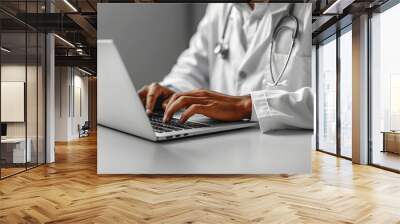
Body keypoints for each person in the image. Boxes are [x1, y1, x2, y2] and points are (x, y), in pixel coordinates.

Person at [138, 3, 313, 132]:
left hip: (291, 160)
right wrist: (173, 92)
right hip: (226, 150)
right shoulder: (221, 7)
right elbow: (194, 65)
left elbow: (334, 105)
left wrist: (247, 105)